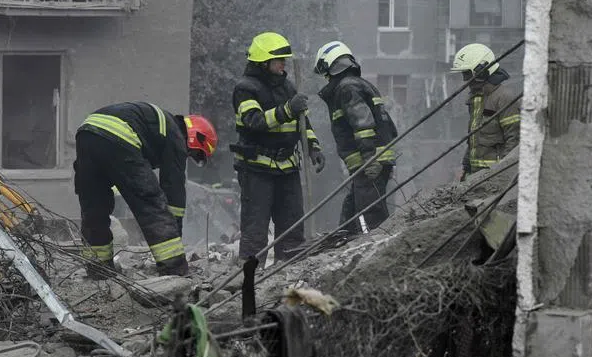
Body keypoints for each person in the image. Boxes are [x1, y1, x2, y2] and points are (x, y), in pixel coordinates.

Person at [74, 103, 217, 277]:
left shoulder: (159, 124)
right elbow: (173, 189)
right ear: (196, 137)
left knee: (94, 206)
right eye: (194, 153)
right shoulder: (177, 136)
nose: (188, 156)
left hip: (87, 134)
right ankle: (173, 268)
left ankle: (98, 269)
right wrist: (174, 231)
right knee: (151, 203)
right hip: (118, 135)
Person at [231, 32, 325, 264]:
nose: (284, 64)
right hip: (257, 170)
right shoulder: (246, 88)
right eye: (279, 60)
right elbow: (255, 121)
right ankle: (249, 284)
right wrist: (287, 110)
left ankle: (288, 280)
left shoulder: (289, 88)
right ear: (264, 63)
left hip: (288, 169)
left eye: (285, 60)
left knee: (292, 231)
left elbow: (303, 123)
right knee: (255, 232)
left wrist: (313, 146)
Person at [314, 41, 399, 233]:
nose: (327, 79)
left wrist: (370, 159)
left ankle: (376, 248)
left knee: (370, 214)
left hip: (368, 162)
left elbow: (363, 125)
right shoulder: (360, 85)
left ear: (331, 67)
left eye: (326, 74)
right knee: (353, 208)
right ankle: (346, 241)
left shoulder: (347, 88)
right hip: (371, 160)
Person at [451, 43, 521, 179]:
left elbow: (514, 140)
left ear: (481, 71)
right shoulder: (476, 98)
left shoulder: (504, 98)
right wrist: (466, 167)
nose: (466, 80)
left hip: (493, 176)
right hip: (475, 176)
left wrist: (502, 173)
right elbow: (474, 137)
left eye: (467, 74)